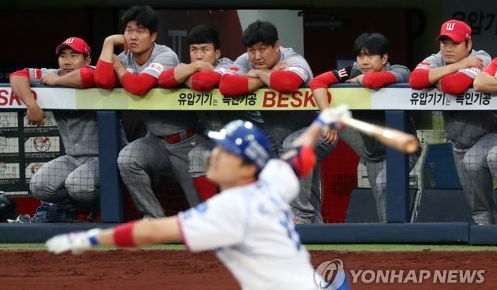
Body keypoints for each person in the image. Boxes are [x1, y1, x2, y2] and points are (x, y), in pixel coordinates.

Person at [45, 108, 355, 290]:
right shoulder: (274, 179)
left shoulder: (226, 213)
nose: (215, 155)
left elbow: (153, 231)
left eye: (226, 153)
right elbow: (298, 156)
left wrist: (86, 239)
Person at [94, 5, 208, 219]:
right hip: (155, 141)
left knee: (203, 213)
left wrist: (119, 68)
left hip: (187, 142)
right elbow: (101, 81)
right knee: (127, 159)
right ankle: (154, 218)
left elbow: (138, 87)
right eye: (128, 30)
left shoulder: (165, 55)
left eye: (140, 31)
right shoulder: (125, 57)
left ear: (153, 35)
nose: (133, 36)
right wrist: (108, 43)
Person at [219, 20, 335, 224]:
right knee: (308, 192)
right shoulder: (245, 60)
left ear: (276, 46)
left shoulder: (294, 60)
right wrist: (267, 76)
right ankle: (319, 238)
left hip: (318, 131)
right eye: (251, 50)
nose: (256, 57)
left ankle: (298, 217)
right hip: (278, 134)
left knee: (294, 147)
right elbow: (227, 85)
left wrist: (257, 75)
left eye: (262, 49)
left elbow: (288, 83)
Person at [10, 37, 125, 222]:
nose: (67, 61)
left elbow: (87, 77)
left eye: (74, 55)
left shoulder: (96, 70)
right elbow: (17, 75)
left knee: (77, 185)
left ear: (87, 60)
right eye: (63, 56)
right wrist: (31, 105)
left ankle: (109, 212)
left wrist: (56, 81)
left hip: (106, 156)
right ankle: (78, 211)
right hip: (73, 158)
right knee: (39, 185)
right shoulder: (52, 73)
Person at [310, 32, 421, 222]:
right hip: (373, 154)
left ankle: (399, 237)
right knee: (382, 203)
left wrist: (358, 80)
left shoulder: (400, 70)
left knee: (384, 183)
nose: (364, 61)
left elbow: (372, 81)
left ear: (384, 58)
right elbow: (317, 82)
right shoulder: (352, 70)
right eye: (360, 56)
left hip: (402, 149)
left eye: (370, 56)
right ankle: (391, 244)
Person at [158, 24, 264, 201]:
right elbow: (163, 80)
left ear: (217, 53)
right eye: (194, 50)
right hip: (219, 140)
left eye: (205, 50)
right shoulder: (191, 70)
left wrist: (186, 74)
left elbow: (205, 82)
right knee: (197, 155)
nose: (198, 56)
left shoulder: (227, 66)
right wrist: (192, 69)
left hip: (253, 138)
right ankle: (208, 212)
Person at [409, 19, 496, 225]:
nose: (447, 49)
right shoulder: (438, 58)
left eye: (455, 44)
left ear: (468, 45)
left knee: (479, 162)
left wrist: (436, 79)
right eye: (444, 43)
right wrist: (458, 65)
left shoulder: (480, 58)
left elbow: (454, 85)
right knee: (479, 211)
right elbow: (415, 80)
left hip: (489, 133)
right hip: (460, 143)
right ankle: (484, 248)